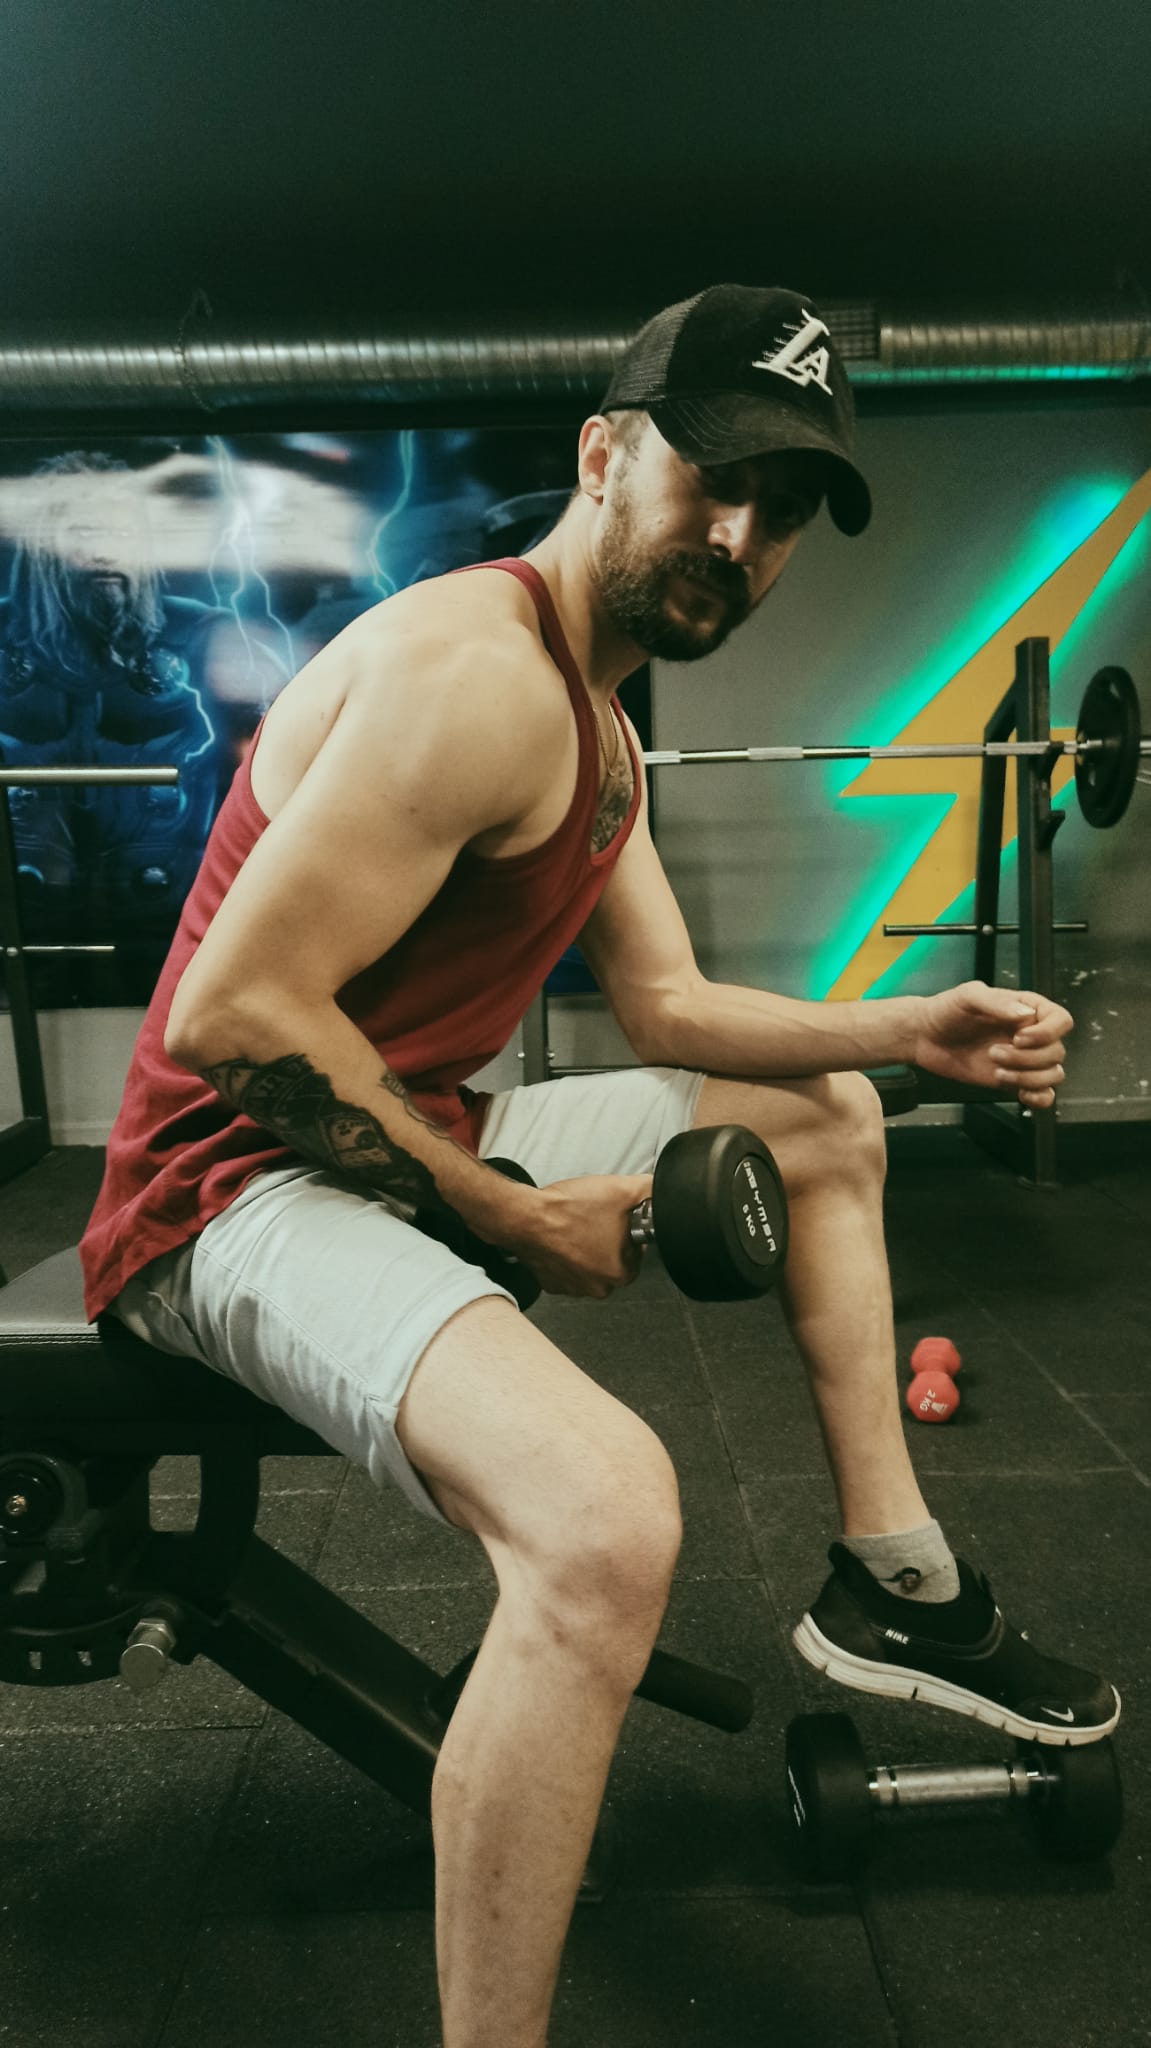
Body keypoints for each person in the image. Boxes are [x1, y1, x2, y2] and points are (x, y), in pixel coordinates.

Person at [79, 284, 1119, 2048]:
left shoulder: (603, 729)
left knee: (827, 1117)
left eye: (783, 511)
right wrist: (504, 1212)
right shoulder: (478, 677)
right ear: (602, 456)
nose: (740, 536)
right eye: (714, 478)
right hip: (219, 1191)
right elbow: (237, 1021)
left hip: (397, 1129)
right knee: (608, 1520)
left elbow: (672, 1007)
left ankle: (893, 1580)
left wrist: (908, 1028)